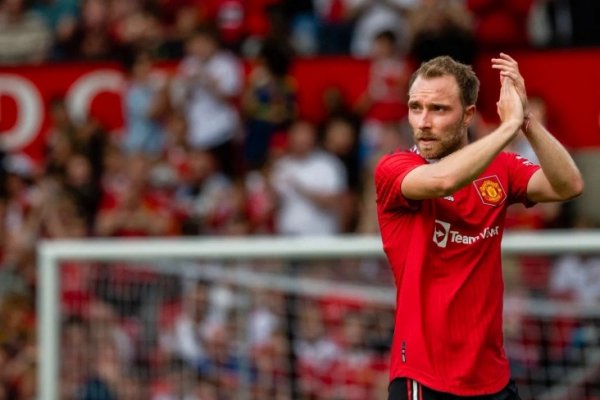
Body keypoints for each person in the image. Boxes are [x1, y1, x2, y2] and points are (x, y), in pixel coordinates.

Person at [374, 53, 583, 399]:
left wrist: (526, 121)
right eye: (415, 107)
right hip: (424, 378)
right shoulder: (394, 167)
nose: (423, 122)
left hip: (492, 377)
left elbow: (568, 185)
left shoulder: (501, 168)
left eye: (438, 109)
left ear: (468, 115)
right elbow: (444, 180)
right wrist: (506, 129)